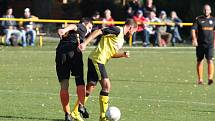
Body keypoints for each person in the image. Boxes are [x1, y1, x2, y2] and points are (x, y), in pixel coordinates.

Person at [71, 19, 137, 121]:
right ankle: (103, 117)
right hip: (97, 60)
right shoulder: (117, 30)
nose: (133, 33)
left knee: (89, 88)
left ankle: (75, 112)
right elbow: (99, 31)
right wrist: (85, 43)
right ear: (131, 28)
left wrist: (122, 55)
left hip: (96, 60)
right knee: (106, 86)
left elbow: (111, 54)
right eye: (134, 31)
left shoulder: (121, 39)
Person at [56, 17, 93, 121]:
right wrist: (64, 30)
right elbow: (74, 25)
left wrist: (63, 30)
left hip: (60, 53)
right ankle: (81, 105)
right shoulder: (82, 27)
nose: (89, 30)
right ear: (86, 23)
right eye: (90, 27)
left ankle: (67, 115)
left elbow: (69, 29)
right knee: (80, 81)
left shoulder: (73, 34)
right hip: (73, 53)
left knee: (64, 85)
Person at [191, 4, 215, 85]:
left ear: (210, 11)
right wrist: (194, 39)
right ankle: (200, 79)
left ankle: (210, 78)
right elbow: (193, 30)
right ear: (203, 10)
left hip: (210, 45)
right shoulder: (198, 19)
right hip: (200, 44)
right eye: (205, 9)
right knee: (200, 61)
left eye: (208, 9)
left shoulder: (213, 19)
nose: (206, 11)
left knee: (210, 60)